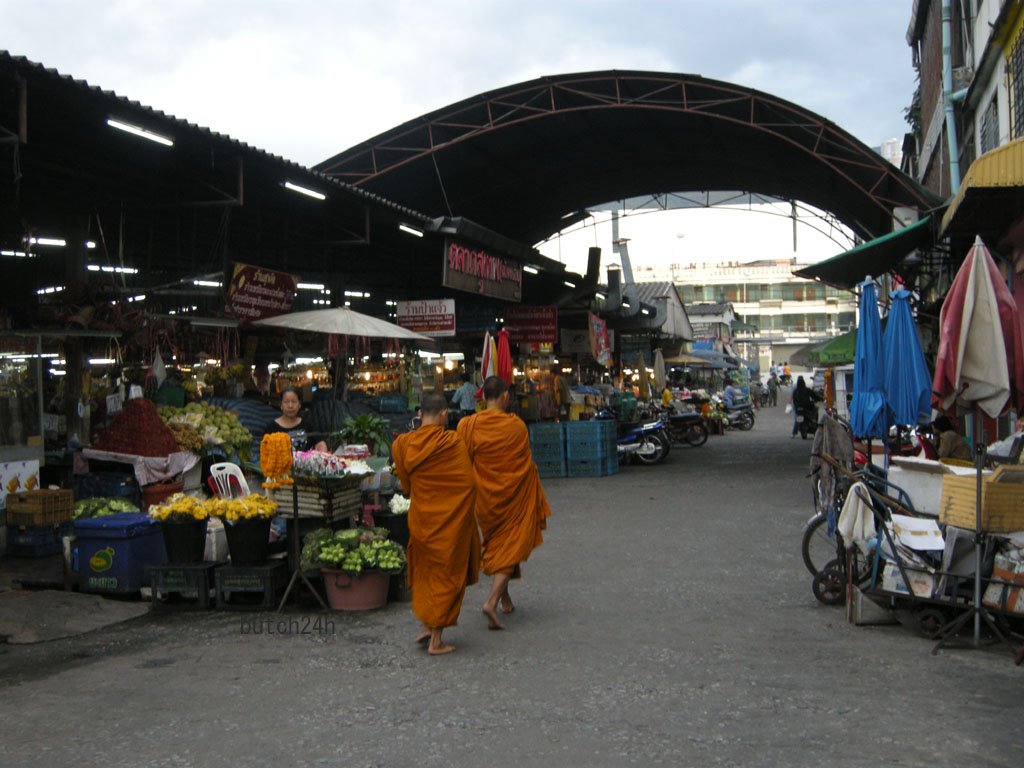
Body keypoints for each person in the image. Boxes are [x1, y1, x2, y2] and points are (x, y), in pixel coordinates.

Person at [456, 376, 552, 631]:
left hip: (485, 501)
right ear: (505, 397)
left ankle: (505, 599)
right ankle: (491, 601)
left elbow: (463, 461)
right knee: (512, 545)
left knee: (502, 545)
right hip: (512, 498)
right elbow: (524, 463)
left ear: (482, 397)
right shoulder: (516, 426)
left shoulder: (468, 425)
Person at [391, 392, 482, 656]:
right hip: (449, 522)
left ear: (420, 414)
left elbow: (405, 483)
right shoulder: (451, 442)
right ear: (443, 414)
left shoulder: (403, 444)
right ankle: (437, 640)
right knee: (447, 576)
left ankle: (427, 626)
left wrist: (417, 491)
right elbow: (468, 484)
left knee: (426, 573)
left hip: (421, 520)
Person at [263, 387, 327, 451]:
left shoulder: (307, 425)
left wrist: (321, 453)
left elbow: (320, 443)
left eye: (294, 402)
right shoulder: (271, 427)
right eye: (286, 402)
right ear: (281, 405)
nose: (290, 406)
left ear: (299, 405)